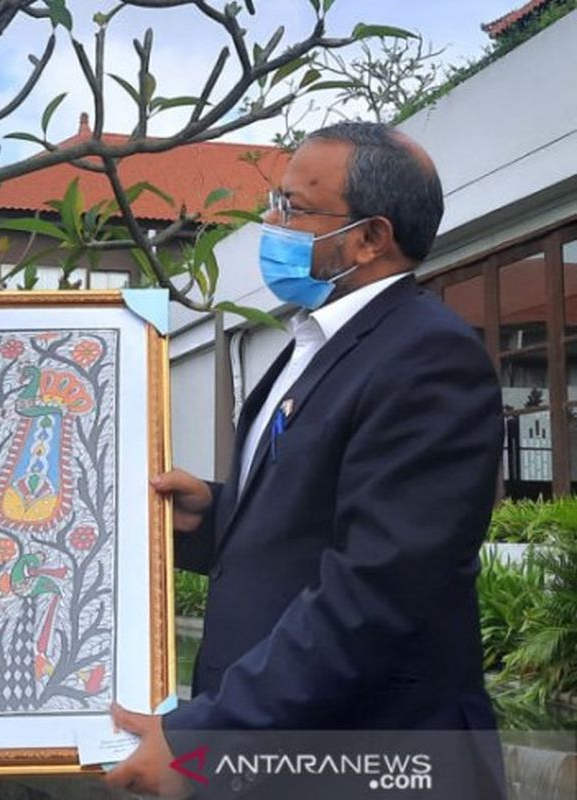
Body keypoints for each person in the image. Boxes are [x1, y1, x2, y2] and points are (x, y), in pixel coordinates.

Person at [106, 122, 506, 798]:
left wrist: (208, 738)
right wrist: (213, 514)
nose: (271, 221)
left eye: (292, 208)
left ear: (370, 237)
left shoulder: (427, 359)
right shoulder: (315, 344)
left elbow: (377, 590)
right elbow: (313, 515)